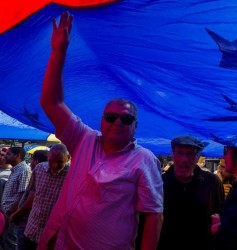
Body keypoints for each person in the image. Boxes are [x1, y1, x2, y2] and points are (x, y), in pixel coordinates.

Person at [38, 12, 164, 249]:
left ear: (135, 127)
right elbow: (50, 102)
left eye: (126, 119)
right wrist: (58, 51)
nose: (118, 122)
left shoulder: (144, 160)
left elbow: (154, 217)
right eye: (111, 117)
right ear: (102, 120)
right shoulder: (83, 139)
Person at [158, 136, 224, 250]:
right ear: (172, 154)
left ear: (198, 156)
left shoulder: (212, 182)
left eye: (190, 154)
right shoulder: (159, 182)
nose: (184, 159)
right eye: (179, 153)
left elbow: (221, 215)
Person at [9, 144, 70, 250]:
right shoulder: (39, 169)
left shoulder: (73, 174)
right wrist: (17, 214)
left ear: (68, 158)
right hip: (31, 229)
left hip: (53, 236)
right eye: (51, 161)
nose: (54, 165)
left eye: (60, 162)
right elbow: (30, 195)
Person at [9, 149, 49, 250]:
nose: (30, 162)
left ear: (37, 161)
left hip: (24, 221)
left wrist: (15, 214)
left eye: (31, 159)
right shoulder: (38, 174)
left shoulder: (32, 172)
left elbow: (29, 201)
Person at [2, 147, 31, 250]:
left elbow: (23, 195)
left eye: (8, 154)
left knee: (11, 242)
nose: (6, 156)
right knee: (6, 241)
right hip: (7, 212)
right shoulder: (16, 169)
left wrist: (13, 212)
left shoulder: (24, 170)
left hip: (12, 214)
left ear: (17, 155)